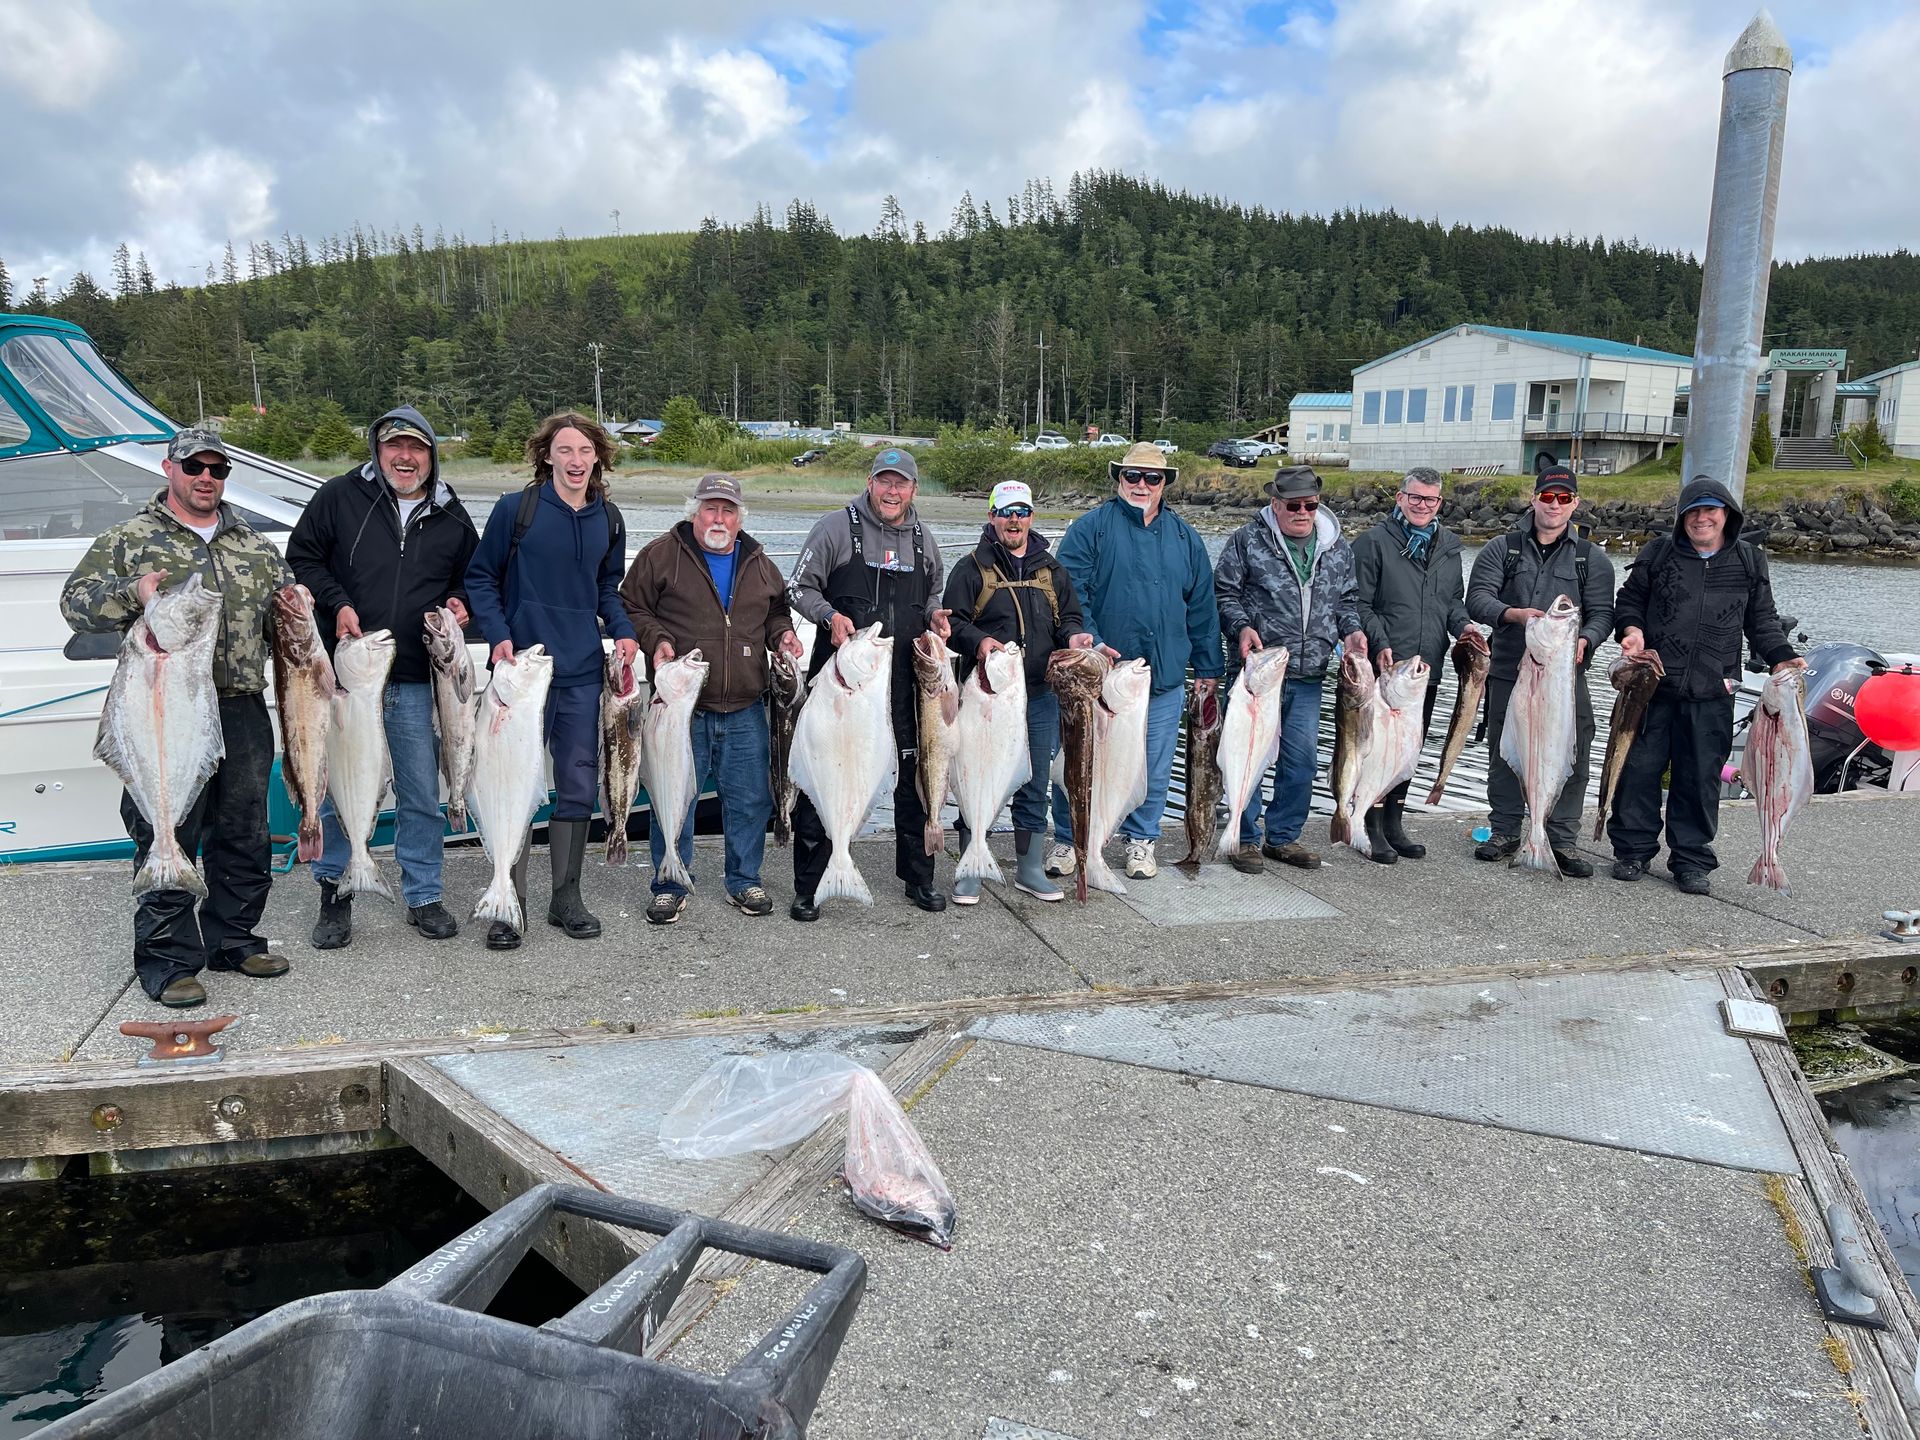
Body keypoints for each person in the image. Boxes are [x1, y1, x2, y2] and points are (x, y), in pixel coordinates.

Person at [60, 428, 296, 1007]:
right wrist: (130, 592)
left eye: (217, 469)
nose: (206, 477)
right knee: (169, 827)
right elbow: (75, 604)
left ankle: (234, 939)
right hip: (162, 706)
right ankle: (168, 963)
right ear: (170, 468)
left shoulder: (256, 546)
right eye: (195, 466)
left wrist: (301, 609)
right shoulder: (129, 539)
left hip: (239, 706)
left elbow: (282, 621)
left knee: (245, 831)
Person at [287, 406, 478, 948]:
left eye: (417, 448)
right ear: (378, 450)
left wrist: (462, 604)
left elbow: (475, 580)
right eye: (395, 446)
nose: (405, 457)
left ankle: (424, 893)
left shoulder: (452, 514)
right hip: (346, 675)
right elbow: (302, 559)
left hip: (417, 675)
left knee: (420, 791)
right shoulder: (338, 497)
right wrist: (338, 602)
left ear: (431, 456)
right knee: (337, 787)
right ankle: (335, 891)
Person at [464, 411, 638, 948]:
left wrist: (625, 630)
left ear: (597, 459)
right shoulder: (516, 510)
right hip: (519, 675)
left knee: (580, 783)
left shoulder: (609, 518)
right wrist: (497, 635)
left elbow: (608, 588)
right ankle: (506, 900)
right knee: (511, 784)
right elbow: (480, 578)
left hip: (581, 670)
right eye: (565, 450)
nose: (576, 460)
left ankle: (567, 897)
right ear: (547, 456)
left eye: (585, 451)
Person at [620, 472, 803, 923]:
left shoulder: (760, 562)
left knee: (750, 801)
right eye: (710, 508)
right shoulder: (661, 555)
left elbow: (777, 610)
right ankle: (669, 881)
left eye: (728, 510)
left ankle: (744, 881)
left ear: (740, 518)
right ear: (694, 512)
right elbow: (630, 605)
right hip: (681, 710)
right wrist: (657, 638)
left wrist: (783, 636)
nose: (718, 518)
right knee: (672, 795)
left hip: (745, 706)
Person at [1607, 478, 1801, 895]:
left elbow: (1762, 620)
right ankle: (1632, 851)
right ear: (1682, 518)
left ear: (1726, 514)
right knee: (1638, 771)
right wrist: (1632, 631)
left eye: (1710, 510)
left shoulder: (1749, 560)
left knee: (1699, 778)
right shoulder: (1658, 553)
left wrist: (1781, 655)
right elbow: (1629, 601)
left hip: (1714, 690)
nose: (1702, 518)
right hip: (1651, 686)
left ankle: (1691, 860)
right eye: (1693, 511)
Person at [1050, 441, 1222, 881]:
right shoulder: (1090, 529)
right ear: (1118, 478)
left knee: (1153, 765)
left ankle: (1141, 841)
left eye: (1152, 478)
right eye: (1132, 476)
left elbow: (1202, 608)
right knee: (1079, 758)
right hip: (1099, 675)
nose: (1141, 485)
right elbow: (1071, 594)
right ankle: (1070, 840)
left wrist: (1207, 670)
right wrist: (1095, 642)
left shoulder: (1186, 537)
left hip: (1162, 676)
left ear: (1165, 484)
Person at [786, 447, 946, 919]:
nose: (892, 491)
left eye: (901, 483)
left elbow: (934, 589)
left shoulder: (923, 538)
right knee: (824, 776)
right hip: (842, 685)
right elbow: (798, 588)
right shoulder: (836, 527)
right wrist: (829, 615)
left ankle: (918, 877)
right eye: (884, 481)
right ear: (871, 483)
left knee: (914, 780)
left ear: (913, 490)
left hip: (903, 685)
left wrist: (936, 615)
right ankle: (809, 883)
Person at [939, 479, 1094, 904]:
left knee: (1033, 780)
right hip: (986, 697)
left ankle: (1028, 869)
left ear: (1031, 517)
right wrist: (979, 642)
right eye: (1006, 512)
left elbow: (1070, 617)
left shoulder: (1051, 569)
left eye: (1022, 511)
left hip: (1039, 695)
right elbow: (952, 627)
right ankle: (972, 861)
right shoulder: (971, 568)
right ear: (991, 516)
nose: (1014, 520)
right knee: (976, 776)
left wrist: (1076, 637)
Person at [1214, 466, 1368, 872]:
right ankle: (1244, 837)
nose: (1303, 512)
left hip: (1310, 673)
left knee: (1300, 760)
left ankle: (1283, 836)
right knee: (1249, 755)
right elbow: (1224, 593)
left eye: (1311, 505)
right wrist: (1242, 626)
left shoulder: (1338, 548)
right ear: (1275, 504)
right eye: (1294, 506)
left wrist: (1351, 633)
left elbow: (1347, 601)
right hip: (1257, 674)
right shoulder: (1246, 540)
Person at [1465, 465, 1615, 875]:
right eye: (1547, 497)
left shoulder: (1591, 557)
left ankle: (1561, 839)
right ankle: (1506, 830)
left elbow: (1603, 613)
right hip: (1510, 670)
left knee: (1572, 752)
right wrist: (1513, 614)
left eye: (1563, 498)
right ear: (1534, 499)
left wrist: (1587, 639)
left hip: (1565, 677)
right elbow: (1477, 597)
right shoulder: (1502, 548)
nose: (1554, 504)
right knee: (1506, 749)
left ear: (1575, 504)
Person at [1351, 466, 1487, 863]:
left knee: (1409, 749)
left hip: (1424, 671)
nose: (1422, 505)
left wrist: (1464, 627)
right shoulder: (1373, 543)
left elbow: (1453, 603)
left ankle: (1394, 823)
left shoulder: (1447, 547)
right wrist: (1381, 642)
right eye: (1415, 497)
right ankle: (1369, 826)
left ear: (1439, 503)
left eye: (1430, 499)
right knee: (1377, 750)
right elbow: (1358, 604)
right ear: (1400, 498)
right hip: (1386, 669)